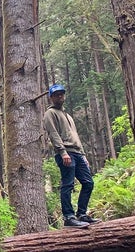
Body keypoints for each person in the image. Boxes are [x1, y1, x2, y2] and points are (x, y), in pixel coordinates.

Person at [42, 84, 101, 228]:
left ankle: (82, 214)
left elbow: (75, 136)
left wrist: (83, 154)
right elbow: (53, 134)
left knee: (88, 182)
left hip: (77, 153)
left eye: (61, 94)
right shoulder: (50, 113)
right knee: (68, 184)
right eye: (56, 95)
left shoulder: (67, 115)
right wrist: (62, 152)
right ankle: (69, 217)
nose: (60, 96)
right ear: (51, 97)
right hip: (65, 153)